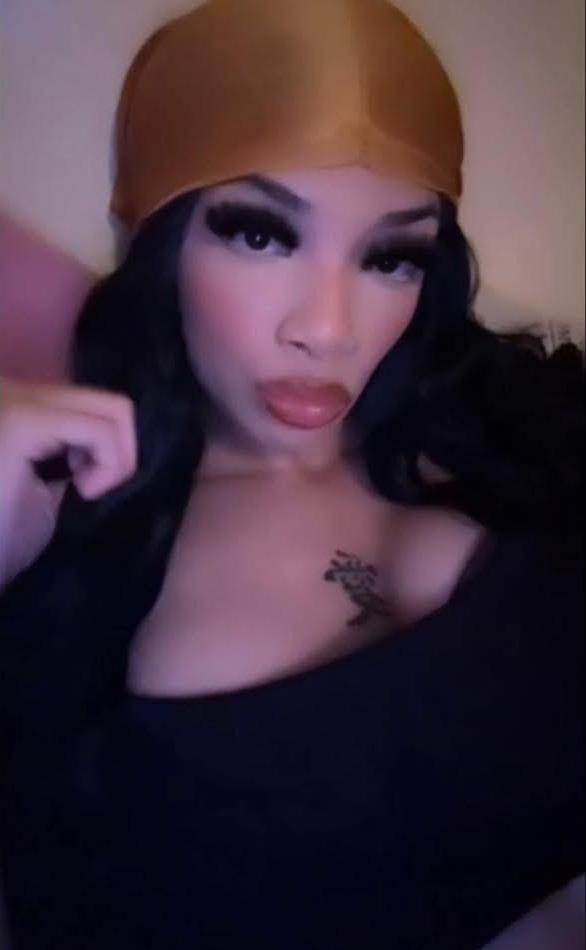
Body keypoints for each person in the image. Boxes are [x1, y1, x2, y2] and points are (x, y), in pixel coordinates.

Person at [0, 1, 583, 947]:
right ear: (159, 242)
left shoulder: (523, 419)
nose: (329, 328)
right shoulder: (62, 528)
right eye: (261, 234)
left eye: (392, 256)